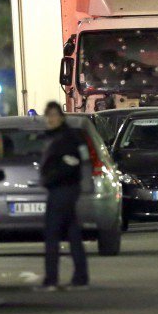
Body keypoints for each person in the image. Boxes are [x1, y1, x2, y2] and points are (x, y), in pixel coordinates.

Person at [39, 101, 89, 290]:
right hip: (64, 189)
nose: (51, 119)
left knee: (52, 234)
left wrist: (50, 178)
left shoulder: (67, 138)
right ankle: (81, 277)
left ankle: (51, 280)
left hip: (63, 189)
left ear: (61, 117)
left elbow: (72, 164)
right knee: (73, 233)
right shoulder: (56, 136)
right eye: (48, 115)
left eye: (54, 115)